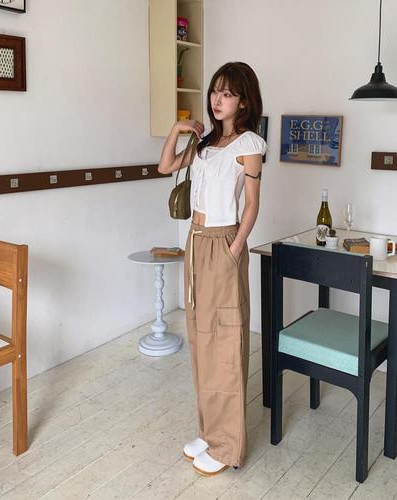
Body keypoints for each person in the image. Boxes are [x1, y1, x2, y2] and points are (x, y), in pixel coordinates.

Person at [158, 61, 267, 476]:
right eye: (215, 91)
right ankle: (209, 431)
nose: (217, 99)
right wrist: (176, 129)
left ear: (244, 101)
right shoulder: (204, 144)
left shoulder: (250, 144)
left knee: (224, 341)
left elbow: (252, 205)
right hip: (196, 240)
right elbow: (165, 167)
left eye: (227, 93)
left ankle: (227, 446)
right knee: (200, 339)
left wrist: (234, 249)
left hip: (223, 241)